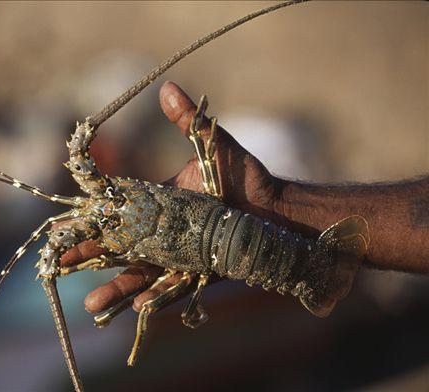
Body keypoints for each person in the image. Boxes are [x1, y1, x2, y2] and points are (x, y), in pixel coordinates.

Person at [60, 81, 429, 315]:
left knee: (113, 293)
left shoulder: (120, 244)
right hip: (242, 240)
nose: (108, 202)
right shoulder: (140, 193)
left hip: (245, 250)